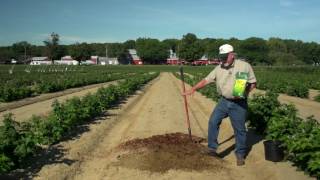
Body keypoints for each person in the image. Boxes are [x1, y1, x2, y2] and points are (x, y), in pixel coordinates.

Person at [183, 44, 257, 166]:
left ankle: (240, 154)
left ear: (232, 55)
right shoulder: (219, 68)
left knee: (239, 130)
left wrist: (245, 93)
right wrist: (193, 89)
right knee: (213, 121)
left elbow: (253, 83)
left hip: (238, 103)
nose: (222, 60)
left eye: (224, 57)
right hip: (223, 101)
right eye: (221, 57)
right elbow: (207, 80)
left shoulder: (244, 66)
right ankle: (212, 148)